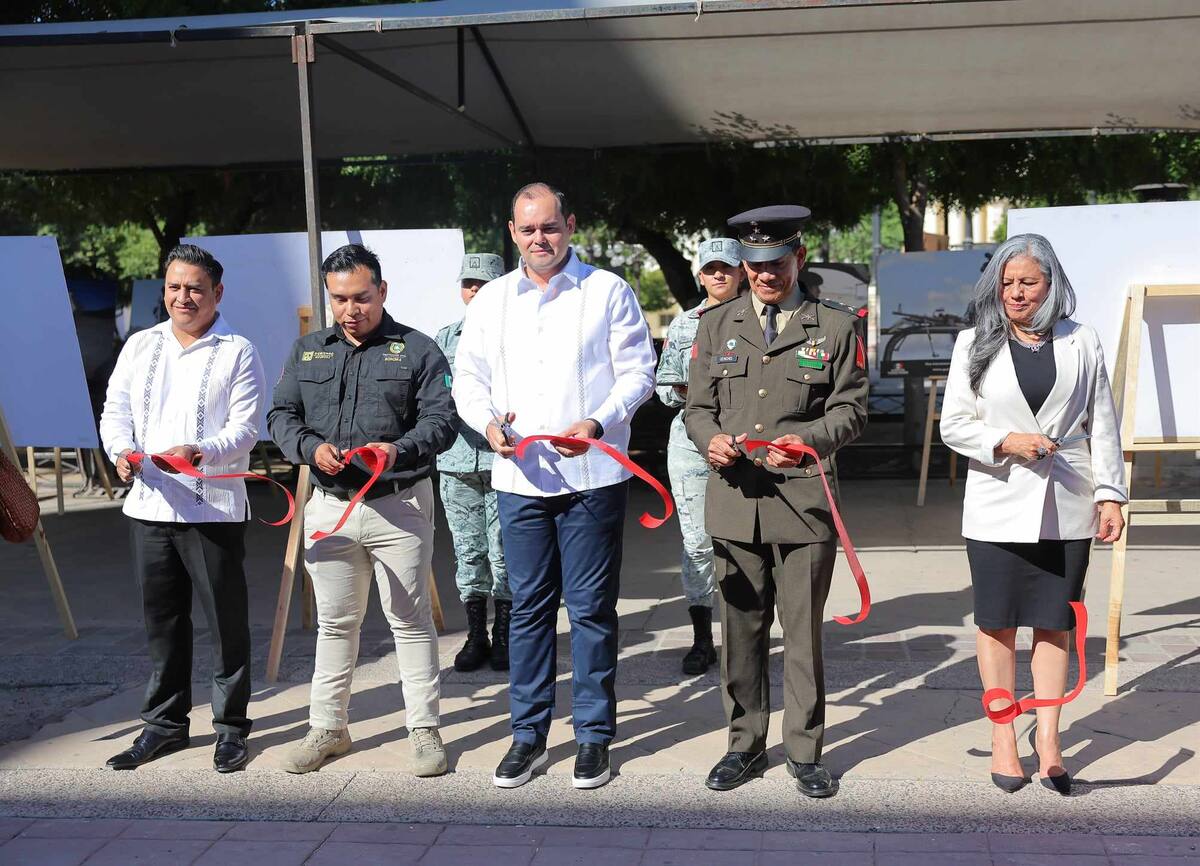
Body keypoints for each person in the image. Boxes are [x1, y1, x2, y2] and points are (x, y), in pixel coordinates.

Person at [453, 183, 656, 790]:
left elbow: (638, 373)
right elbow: (469, 378)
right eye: (527, 229)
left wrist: (595, 422)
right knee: (528, 609)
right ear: (511, 232)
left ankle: (593, 737)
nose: (539, 240)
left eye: (550, 228)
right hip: (520, 479)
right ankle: (528, 736)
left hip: (591, 475)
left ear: (571, 225)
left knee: (591, 611)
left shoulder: (607, 291)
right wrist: (487, 424)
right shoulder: (491, 300)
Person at [684, 206, 868, 799]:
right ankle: (743, 744)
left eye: (777, 264)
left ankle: (805, 750)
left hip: (802, 502)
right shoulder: (716, 325)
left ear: (800, 259)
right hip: (736, 499)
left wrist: (808, 441)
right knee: (740, 630)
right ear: (743, 265)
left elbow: (852, 409)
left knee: (802, 633)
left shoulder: (834, 327)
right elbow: (697, 406)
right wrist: (707, 438)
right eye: (755, 265)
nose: (766, 275)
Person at [940, 233, 1126, 796]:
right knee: (996, 622)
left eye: (1029, 282)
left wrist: (1111, 493)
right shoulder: (974, 342)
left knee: (1055, 621)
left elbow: (1103, 420)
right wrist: (1004, 441)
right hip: (997, 502)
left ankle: (1048, 738)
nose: (1017, 293)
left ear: (1052, 284)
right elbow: (954, 424)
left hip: (1068, 502)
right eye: (1007, 282)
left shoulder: (1082, 340)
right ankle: (1003, 737)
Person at [268, 243, 457, 778]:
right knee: (335, 623)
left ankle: (423, 729)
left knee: (411, 621)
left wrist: (399, 449)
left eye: (362, 297)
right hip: (329, 507)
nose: (352, 309)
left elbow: (441, 421)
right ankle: (329, 729)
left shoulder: (418, 350)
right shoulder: (307, 351)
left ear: (383, 291)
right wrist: (308, 448)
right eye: (340, 299)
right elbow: (280, 414)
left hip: (398, 505)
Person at [99, 243, 265, 773]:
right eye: (174, 286)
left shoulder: (237, 349)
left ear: (217, 293)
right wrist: (122, 452)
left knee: (225, 622)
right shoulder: (140, 345)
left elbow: (246, 428)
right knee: (162, 622)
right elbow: (114, 411)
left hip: (211, 506)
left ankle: (232, 728)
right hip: (148, 506)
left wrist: (201, 452)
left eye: (194, 287)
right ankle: (164, 725)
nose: (183, 297)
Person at [654, 237, 744, 677]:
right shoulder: (684, 325)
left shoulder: (762, 320)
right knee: (697, 543)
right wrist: (694, 392)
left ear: (742, 271)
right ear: (699, 275)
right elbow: (664, 386)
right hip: (691, 446)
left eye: (726, 268)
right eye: (710, 269)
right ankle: (702, 638)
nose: (719, 276)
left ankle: (744, 638)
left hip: (746, 447)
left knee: (745, 542)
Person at [435, 253, 512, 672]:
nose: (476, 291)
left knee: (504, 553)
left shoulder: (522, 334)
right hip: (458, 460)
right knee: (469, 552)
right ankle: (475, 635)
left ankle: (504, 633)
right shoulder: (444, 338)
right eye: (469, 283)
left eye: (484, 283)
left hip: (508, 462)